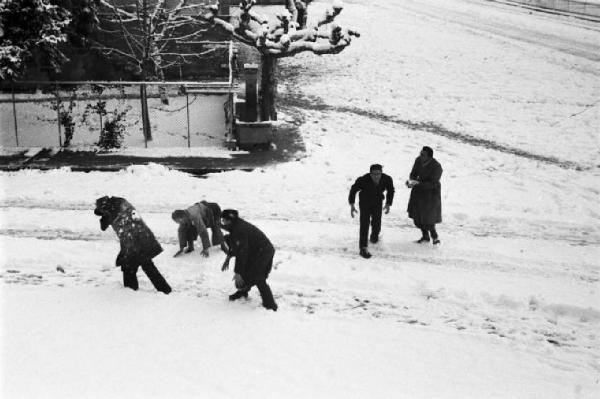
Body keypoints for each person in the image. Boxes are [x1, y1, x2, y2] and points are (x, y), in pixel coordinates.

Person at [94, 196, 171, 294]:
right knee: (145, 265)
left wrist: (103, 216)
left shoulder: (113, 215)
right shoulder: (121, 204)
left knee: (130, 266)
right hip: (143, 236)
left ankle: (131, 292)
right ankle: (165, 290)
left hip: (134, 241)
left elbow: (106, 226)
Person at [219, 209, 278, 311]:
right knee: (246, 272)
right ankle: (243, 292)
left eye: (223, 220)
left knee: (257, 276)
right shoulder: (235, 225)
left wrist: (238, 272)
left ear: (229, 220)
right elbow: (237, 245)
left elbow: (242, 253)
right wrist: (228, 257)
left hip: (263, 252)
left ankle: (270, 305)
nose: (222, 222)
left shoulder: (239, 230)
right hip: (256, 250)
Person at [348, 164, 395, 259]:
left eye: (379, 174)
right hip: (365, 202)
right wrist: (352, 204)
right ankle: (363, 248)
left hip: (377, 201)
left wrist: (388, 204)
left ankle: (374, 238)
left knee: (377, 223)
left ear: (381, 173)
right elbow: (353, 190)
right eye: (374, 174)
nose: (376, 176)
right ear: (370, 174)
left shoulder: (387, 179)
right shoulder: (363, 179)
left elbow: (391, 190)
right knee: (364, 224)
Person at [406, 146, 443, 244]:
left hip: (431, 195)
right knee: (417, 216)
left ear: (429, 157)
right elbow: (413, 173)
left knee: (428, 218)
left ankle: (435, 237)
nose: (420, 156)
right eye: (420, 153)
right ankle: (425, 236)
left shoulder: (437, 167)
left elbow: (433, 183)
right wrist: (411, 181)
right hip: (418, 193)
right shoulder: (418, 160)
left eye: (423, 155)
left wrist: (418, 184)